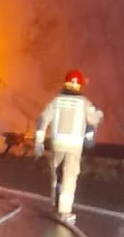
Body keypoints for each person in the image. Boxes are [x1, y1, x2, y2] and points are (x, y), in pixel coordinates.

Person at [34, 69, 103, 224]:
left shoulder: (56, 101)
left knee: (57, 175)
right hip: (74, 147)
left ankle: (55, 204)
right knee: (69, 177)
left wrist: (38, 142)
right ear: (80, 86)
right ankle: (64, 212)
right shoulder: (84, 103)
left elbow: (42, 120)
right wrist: (99, 114)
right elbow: (93, 120)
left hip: (57, 145)